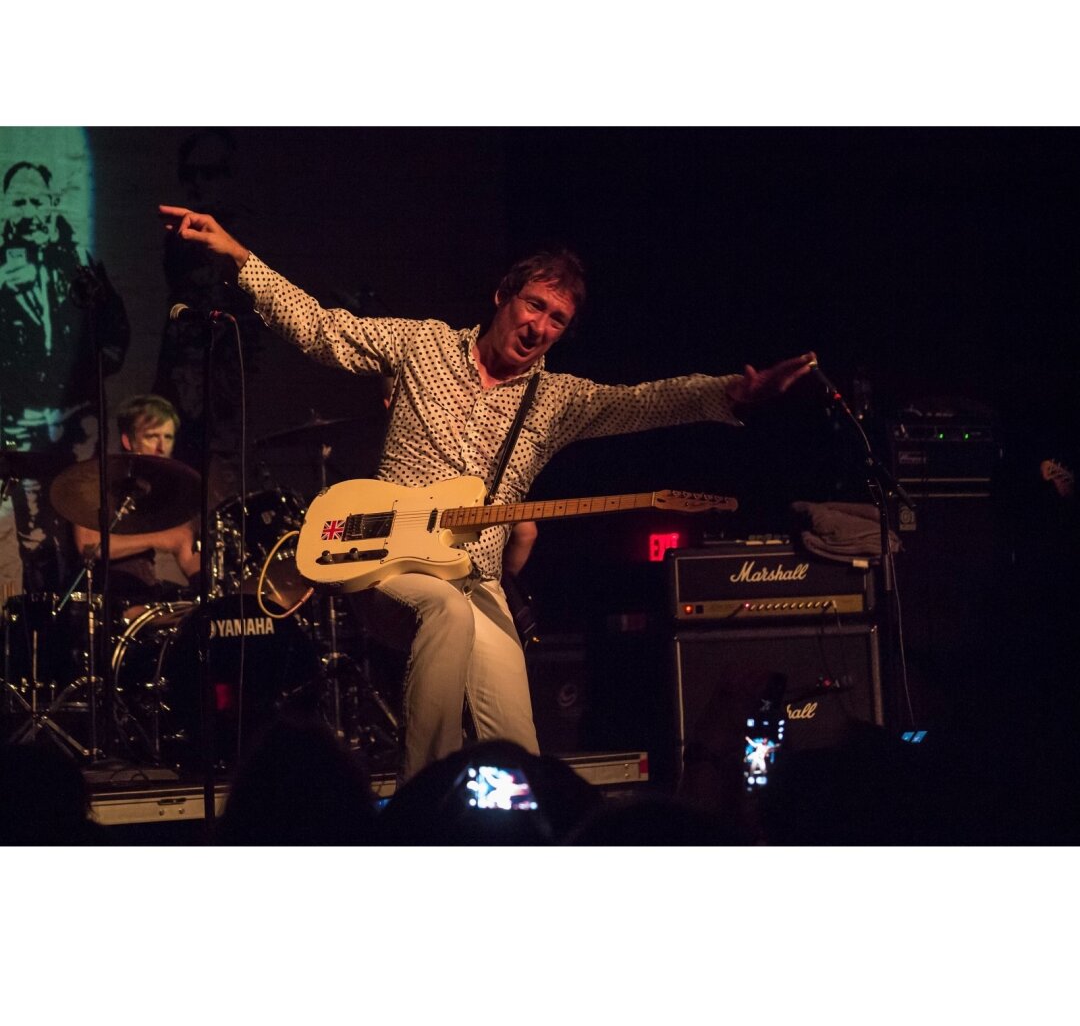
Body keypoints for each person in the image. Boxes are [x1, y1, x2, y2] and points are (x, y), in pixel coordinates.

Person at [158, 204, 816, 783]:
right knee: (442, 609)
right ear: (503, 294)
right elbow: (323, 329)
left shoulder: (555, 401)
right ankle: (425, 798)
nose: (539, 326)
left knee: (517, 745)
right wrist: (240, 257)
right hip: (385, 564)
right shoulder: (424, 345)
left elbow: (643, 402)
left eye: (556, 320)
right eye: (534, 305)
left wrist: (731, 391)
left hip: (477, 580)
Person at [0, 160, 129, 594]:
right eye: (19, 201)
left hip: (78, 434)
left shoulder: (79, 269)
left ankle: (82, 645)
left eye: (38, 200)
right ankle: (42, 646)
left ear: (53, 206)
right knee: (34, 546)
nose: (29, 210)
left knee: (82, 544)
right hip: (21, 438)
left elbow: (115, 346)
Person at [70, 394, 200, 602]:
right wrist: (159, 538)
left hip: (147, 596)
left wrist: (216, 591)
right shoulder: (99, 481)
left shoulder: (168, 489)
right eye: (152, 436)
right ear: (127, 441)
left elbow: (184, 550)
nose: (161, 447)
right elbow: (88, 545)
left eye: (168, 437)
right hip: (104, 599)